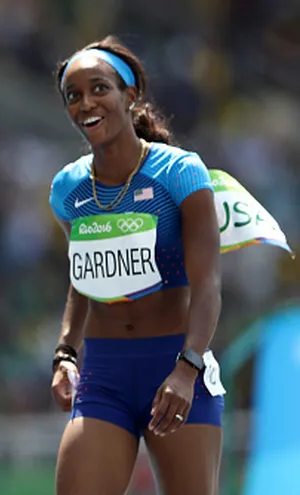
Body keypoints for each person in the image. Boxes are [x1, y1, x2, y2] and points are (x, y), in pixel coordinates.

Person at [48, 36, 224, 495]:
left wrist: (187, 368)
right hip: (104, 374)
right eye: (73, 95)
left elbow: (207, 284)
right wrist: (66, 352)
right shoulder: (67, 188)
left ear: (130, 96)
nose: (86, 102)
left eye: (99, 88)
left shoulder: (180, 174)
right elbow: (83, 280)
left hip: (175, 367)